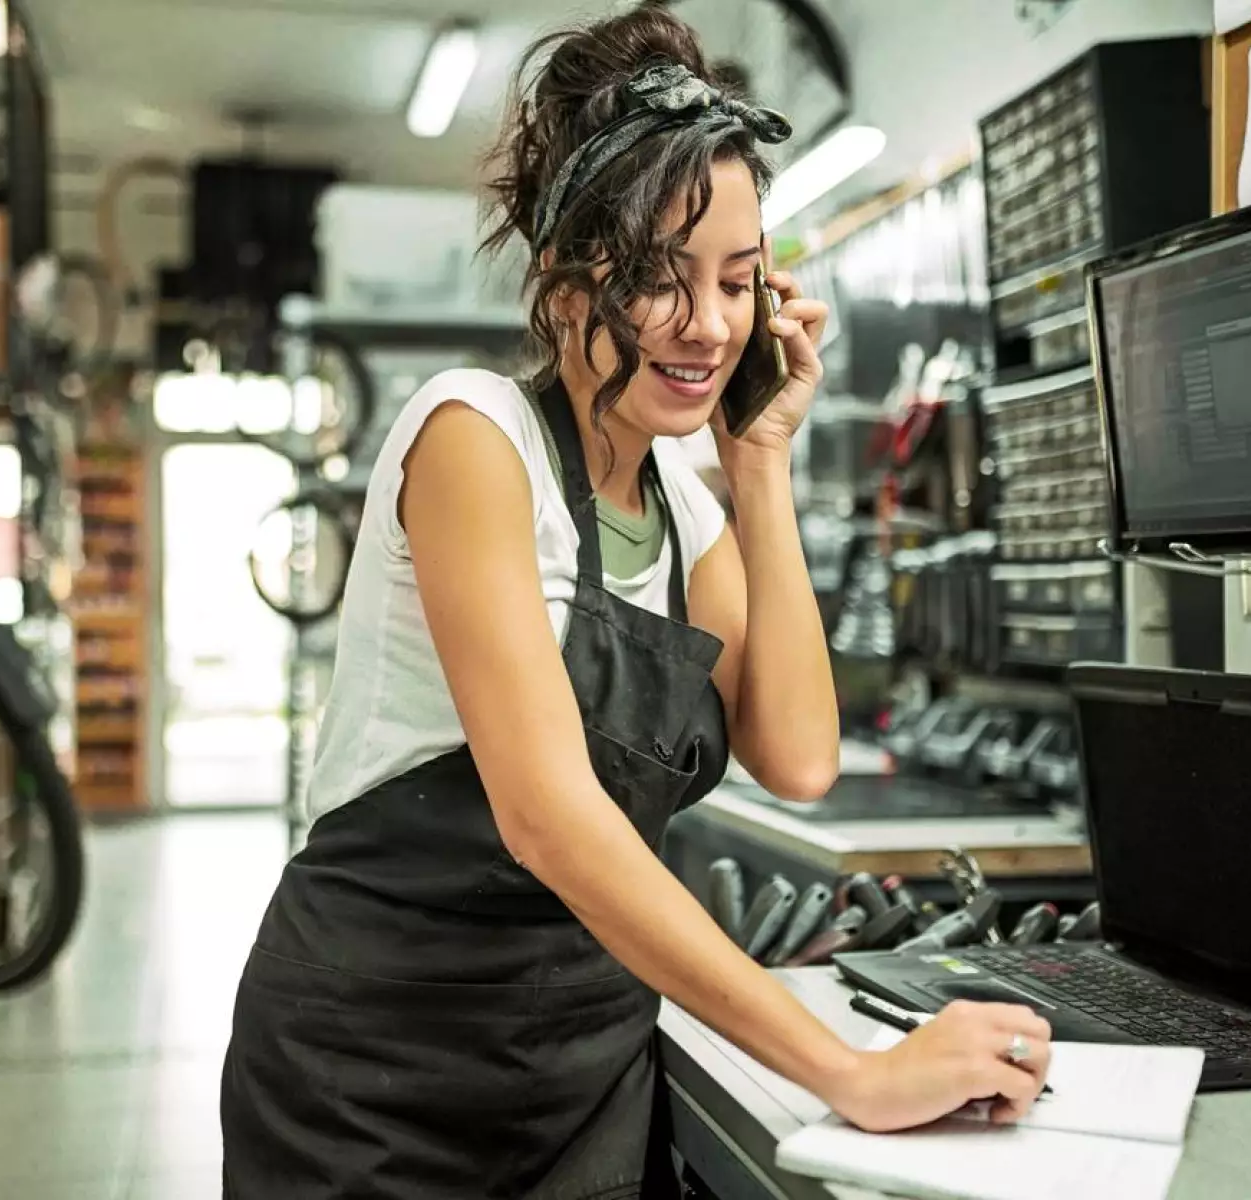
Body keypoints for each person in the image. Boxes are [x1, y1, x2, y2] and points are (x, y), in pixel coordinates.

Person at [221, 8, 1052, 1198]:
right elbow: (549, 820)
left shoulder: (692, 514)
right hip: (375, 1072)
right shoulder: (473, 440)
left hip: (584, 1068)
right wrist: (847, 1072)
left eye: (737, 280)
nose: (709, 324)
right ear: (567, 283)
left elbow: (802, 755)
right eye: (660, 278)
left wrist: (759, 464)